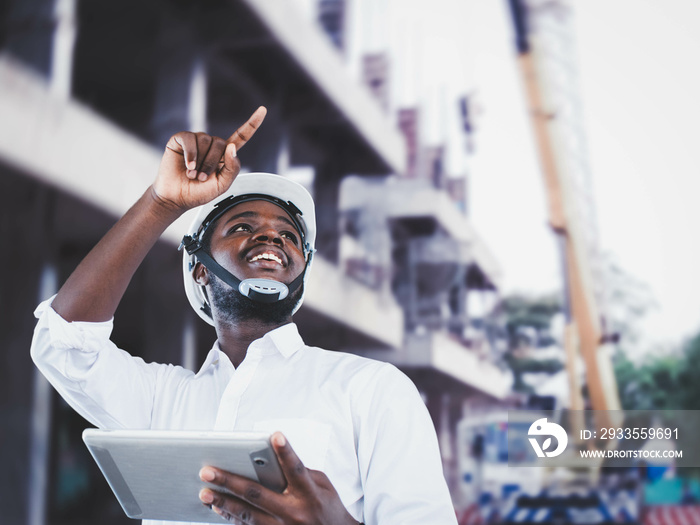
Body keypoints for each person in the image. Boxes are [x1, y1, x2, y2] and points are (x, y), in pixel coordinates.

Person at [31, 107, 458, 525]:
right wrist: (161, 202)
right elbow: (64, 344)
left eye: (289, 234)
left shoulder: (373, 390)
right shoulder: (162, 402)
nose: (271, 234)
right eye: (241, 226)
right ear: (200, 267)